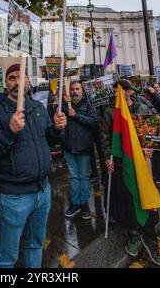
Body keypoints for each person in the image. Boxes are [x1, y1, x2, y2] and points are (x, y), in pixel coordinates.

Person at [0, 63, 67, 268]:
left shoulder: (37, 107)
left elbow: (48, 140)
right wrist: (10, 130)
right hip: (14, 195)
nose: (17, 82)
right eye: (12, 78)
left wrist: (58, 129)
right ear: (6, 83)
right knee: (7, 256)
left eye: (21, 77)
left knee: (35, 244)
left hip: (43, 190)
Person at [101, 80, 160, 266]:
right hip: (122, 164)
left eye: (120, 90)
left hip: (142, 163)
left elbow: (152, 132)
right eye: (115, 91)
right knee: (128, 198)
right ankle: (134, 233)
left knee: (146, 196)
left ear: (129, 92)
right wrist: (107, 157)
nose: (117, 94)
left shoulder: (142, 108)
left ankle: (150, 236)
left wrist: (150, 148)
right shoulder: (110, 112)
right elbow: (105, 136)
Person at [62, 80, 98, 219]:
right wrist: (64, 104)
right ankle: (76, 203)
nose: (75, 91)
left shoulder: (88, 105)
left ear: (82, 90)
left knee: (83, 177)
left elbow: (93, 122)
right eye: (72, 89)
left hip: (83, 147)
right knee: (74, 177)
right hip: (69, 147)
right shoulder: (65, 105)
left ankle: (84, 204)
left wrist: (76, 115)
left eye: (77, 89)